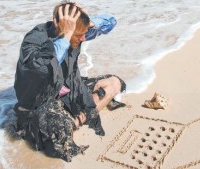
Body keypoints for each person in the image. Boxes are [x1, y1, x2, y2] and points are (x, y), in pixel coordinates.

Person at [13, 2, 126, 162]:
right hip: (40, 103)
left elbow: (111, 22)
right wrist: (65, 37)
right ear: (62, 28)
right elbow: (43, 67)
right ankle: (71, 120)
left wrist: (88, 22)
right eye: (79, 35)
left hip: (68, 90)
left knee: (114, 84)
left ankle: (75, 119)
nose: (84, 38)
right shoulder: (33, 41)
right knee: (61, 141)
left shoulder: (79, 33)